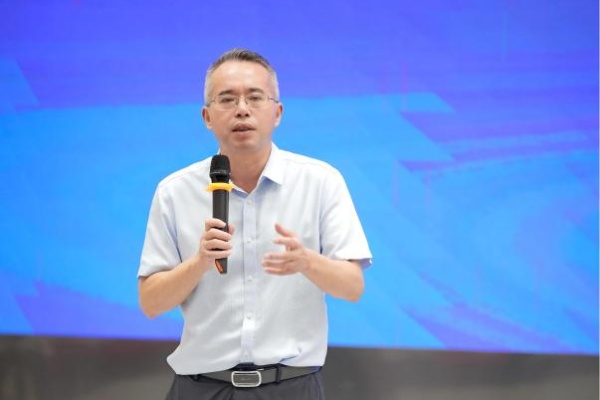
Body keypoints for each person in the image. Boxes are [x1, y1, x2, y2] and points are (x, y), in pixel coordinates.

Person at [138, 48, 372, 400]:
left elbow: (352, 287)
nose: (242, 109)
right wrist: (199, 262)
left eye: (255, 97)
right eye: (227, 99)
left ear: (277, 113)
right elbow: (151, 303)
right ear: (207, 116)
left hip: (292, 387)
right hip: (201, 388)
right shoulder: (175, 192)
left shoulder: (321, 182)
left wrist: (307, 261)